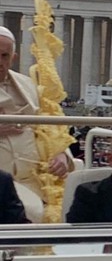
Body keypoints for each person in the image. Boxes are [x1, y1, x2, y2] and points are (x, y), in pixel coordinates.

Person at [0, 26, 74, 201]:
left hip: (34, 185)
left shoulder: (30, 86)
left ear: (13, 58)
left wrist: (62, 155)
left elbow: (51, 128)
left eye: (4, 56)